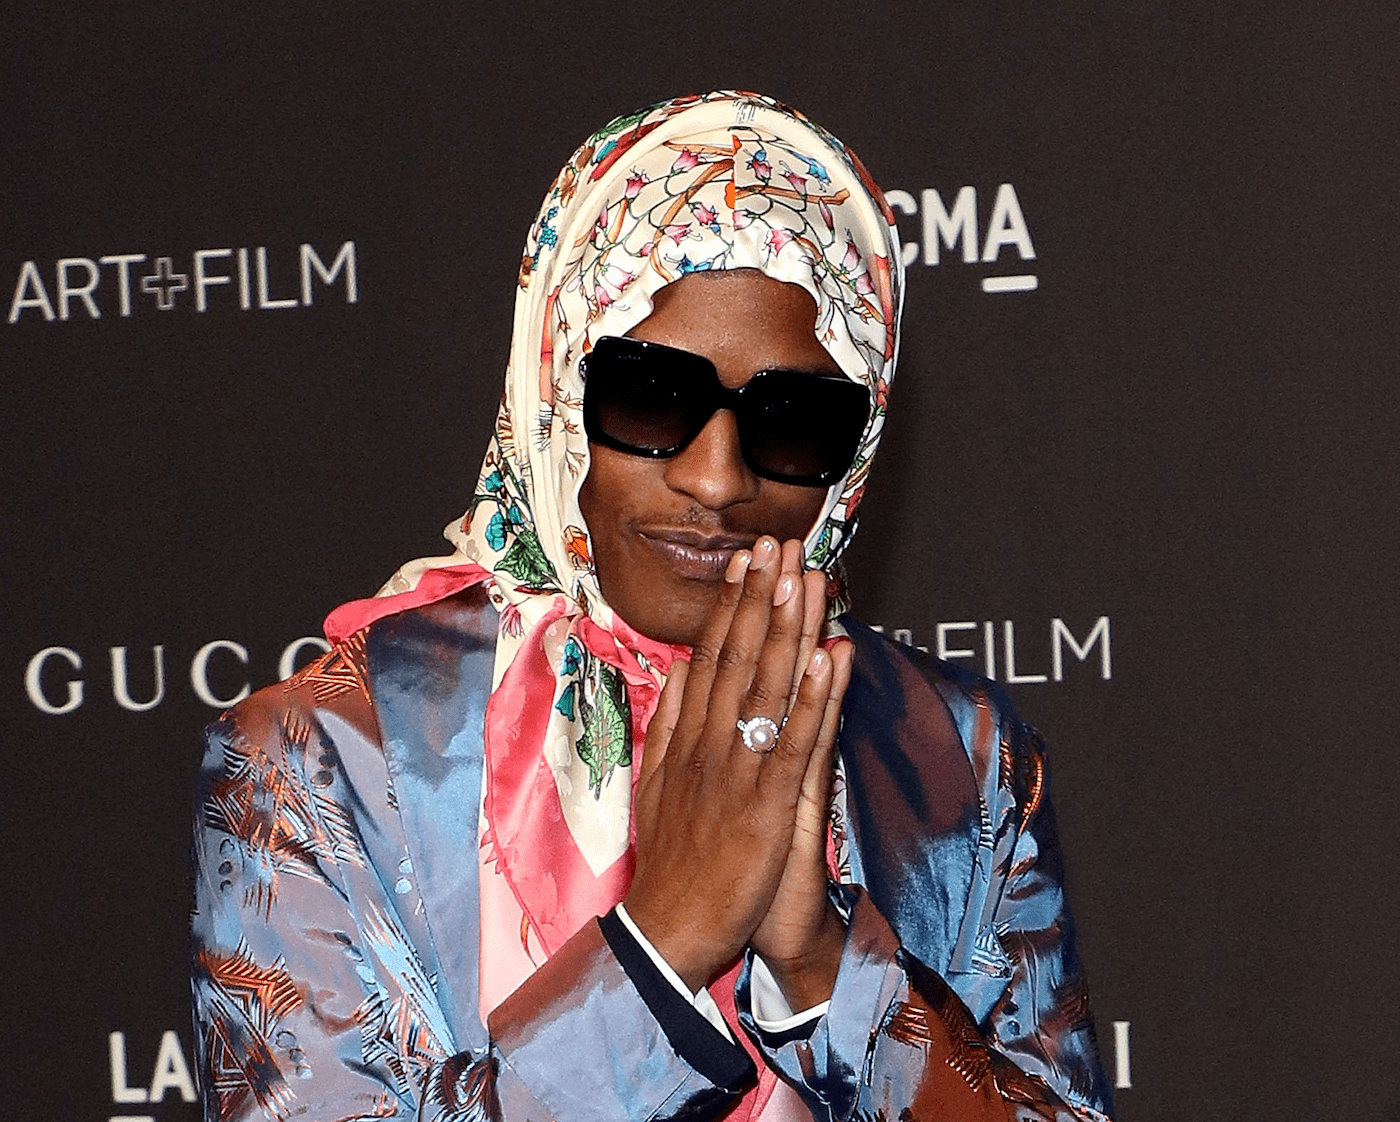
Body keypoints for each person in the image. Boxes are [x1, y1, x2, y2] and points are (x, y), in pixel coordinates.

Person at [191, 90, 1114, 1122]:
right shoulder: (325, 756)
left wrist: (822, 967)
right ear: (554, 387)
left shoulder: (959, 757)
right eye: (650, 395)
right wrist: (661, 945)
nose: (716, 479)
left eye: (793, 419)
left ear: (853, 457)